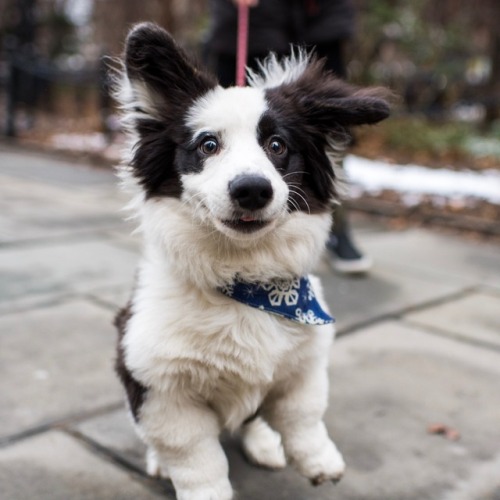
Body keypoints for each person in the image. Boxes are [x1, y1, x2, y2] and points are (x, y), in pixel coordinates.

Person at [206, 0, 373, 274]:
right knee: (229, 125)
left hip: (319, 21)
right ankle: (221, 220)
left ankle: (335, 228)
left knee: (328, 133)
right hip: (254, 18)